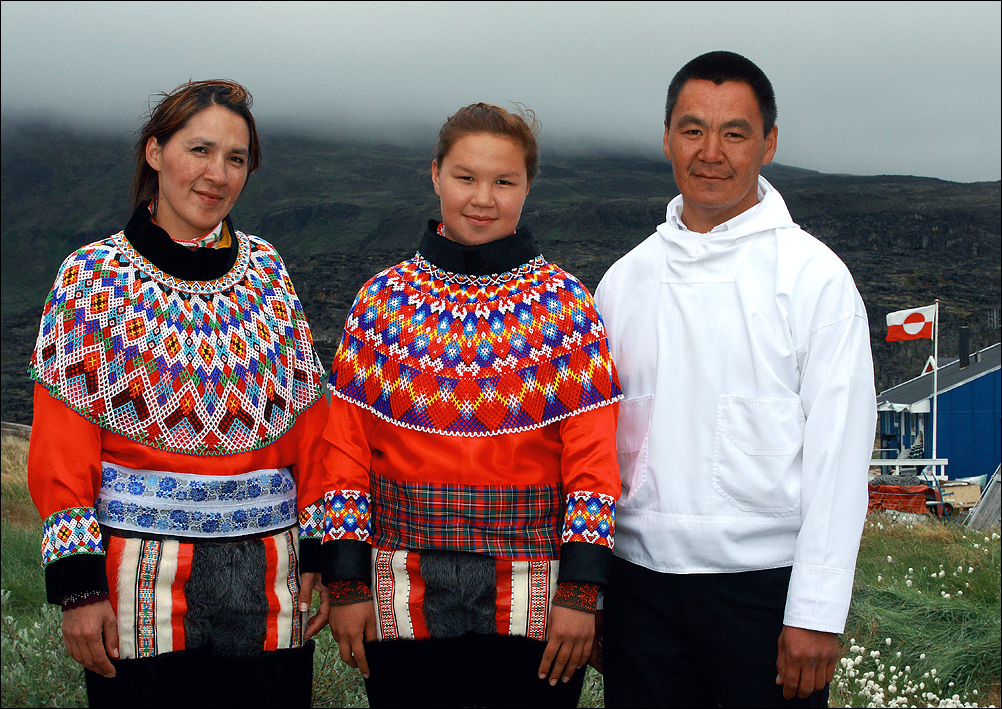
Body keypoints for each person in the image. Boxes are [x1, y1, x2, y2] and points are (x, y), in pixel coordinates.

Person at [26, 79, 329, 708]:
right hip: (138, 583)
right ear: (155, 152)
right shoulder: (91, 277)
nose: (217, 174)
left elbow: (312, 426)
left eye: (236, 158)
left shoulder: (269, 273)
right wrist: (80, 588)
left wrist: (322, 552)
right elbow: (62, 443)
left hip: (270, 583)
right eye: (199, 150)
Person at [594, 51, 877, 707]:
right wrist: (598, 590)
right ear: (666, 137)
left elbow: (839, 457)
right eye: (692, 130)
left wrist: (817, 610)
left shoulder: (814, 279)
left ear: (769, 143)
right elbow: (596, 446)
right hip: (640, 589)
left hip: (765, 593)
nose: (711, 152)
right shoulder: (623, 281)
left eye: (735, 132)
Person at [320, 102, 622, 708]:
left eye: (504, 181)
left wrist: (581, 594)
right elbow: (344, 450)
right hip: (401, 589)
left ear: (527, 187)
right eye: (466, 177)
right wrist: (347, 582)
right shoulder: (380, 302)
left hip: (535, 594)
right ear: (435, 175)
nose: (483, 197)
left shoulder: (566, 308)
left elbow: (593, 458)